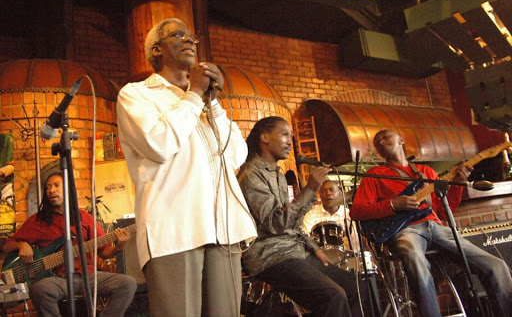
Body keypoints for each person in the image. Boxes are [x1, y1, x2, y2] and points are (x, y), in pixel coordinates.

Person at [116, 18, 257, 316]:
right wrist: (193, 95)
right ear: (156, 49)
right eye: (177, 35)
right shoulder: (137, 94)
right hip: (174, 229)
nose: (189, 40)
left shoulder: (204, 102)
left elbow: (235, 155)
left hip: (224, 227)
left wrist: (213, 103)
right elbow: (159, 143)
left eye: (191, 35)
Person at [350, 129, 512, 317]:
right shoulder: (375, 175)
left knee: (496, 266)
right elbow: (357, 211)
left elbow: (443, 210)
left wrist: (459, 180)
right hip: (406, 231)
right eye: (377, 141)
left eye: (385, 136)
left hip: (436, 226)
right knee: (415, 261)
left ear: (401, 140)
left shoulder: (426, 172)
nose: (380, 141)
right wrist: (393, 204)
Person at [238, 116, 366, 317]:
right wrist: (310, 188)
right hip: (270, 255)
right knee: (333, 296)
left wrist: (314, 249)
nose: (290, 141)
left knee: (358, 288)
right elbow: (276, 225)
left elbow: (292, 224)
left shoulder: (278, 175)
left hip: (296, 251)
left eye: (292, 136)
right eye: (285, 134)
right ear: (264, 137)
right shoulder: (251, 174)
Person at [3, 172, 136, 317]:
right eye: (48, 187)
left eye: (56, 185)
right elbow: (6, 245)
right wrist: (21, 245)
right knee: (40, 289)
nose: (51, 190)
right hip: (58, 279)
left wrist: (119, 247)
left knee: (127, 283)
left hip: (88, 277)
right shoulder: (38, 221)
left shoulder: (85, 218)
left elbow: (104, 252)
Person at [302, 180, 359, 252]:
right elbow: (305, 238)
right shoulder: (310, 215)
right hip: (319, 259)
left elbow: (356, 244)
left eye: (331, 190)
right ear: (319, 195)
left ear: (340, 193)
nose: (328, 193)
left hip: (347, 258)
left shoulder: (349, 215)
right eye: (323, 191)